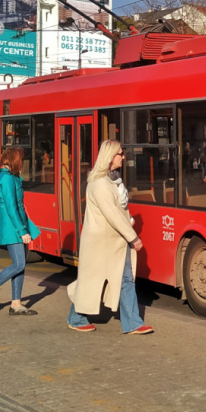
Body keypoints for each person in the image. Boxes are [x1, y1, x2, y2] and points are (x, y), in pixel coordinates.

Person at [66, 140, 153, 335]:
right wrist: (133, 237)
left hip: (113, 241)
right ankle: (77, 317)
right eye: (120, 154)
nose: (123, 157)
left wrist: (128, 219)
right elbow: (112, 214)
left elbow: (119, 210)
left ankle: (132, 323)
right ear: (109, 157)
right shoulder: (100, 183)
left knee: (122, 280)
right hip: (101, 243)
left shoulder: (112, 180)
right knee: (93, 282)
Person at [0, 147, 41, 316]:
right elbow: (12, 207)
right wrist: (22, 231)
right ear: (14, 160)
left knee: (20, 264)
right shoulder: (8, 179)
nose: (22, 163)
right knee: (19, 263)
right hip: (12, 226)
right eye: (21, 160)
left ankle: (16, 303)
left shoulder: (7, 176)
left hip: (14, 224)